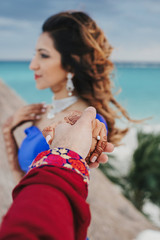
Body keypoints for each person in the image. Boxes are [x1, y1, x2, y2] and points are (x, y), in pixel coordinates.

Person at [2, 10, 134, 182]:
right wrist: (7, 131)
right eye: (34, 55)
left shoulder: (87, 124)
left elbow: (57, 189)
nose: (32, 65)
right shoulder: (41, 113)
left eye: (43, 55)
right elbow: (22, 181)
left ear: (71, 64)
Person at [0, 107, 114, 240]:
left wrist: (65, 153)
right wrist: (7, 131)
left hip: (45, 211)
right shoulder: (40, 115)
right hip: (44, 209)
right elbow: (25, 179)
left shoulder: (92, 123)